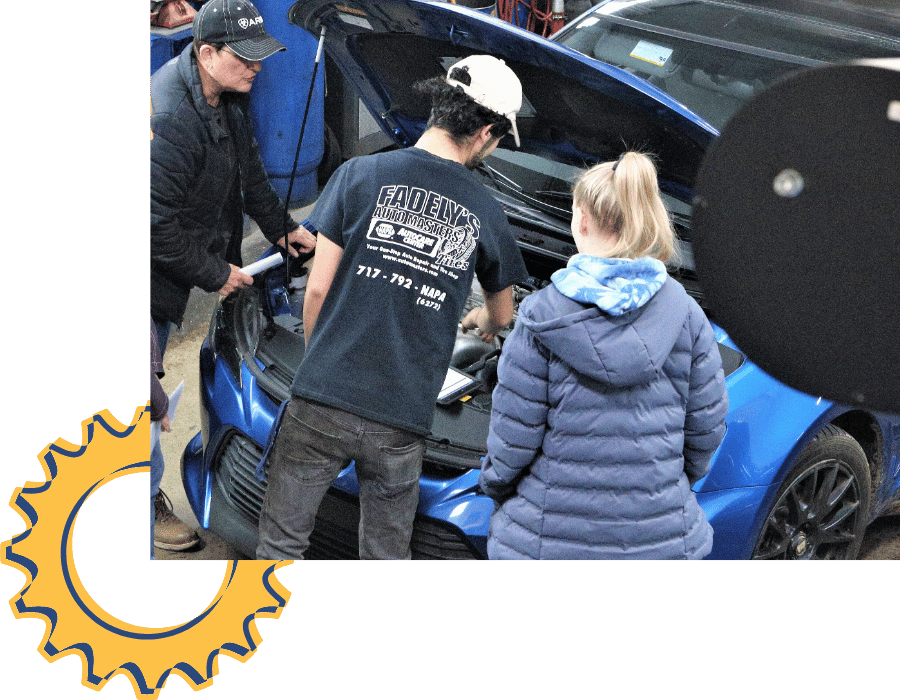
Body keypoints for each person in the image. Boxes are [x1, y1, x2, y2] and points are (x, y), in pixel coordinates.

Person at [256, 55, 529, 560]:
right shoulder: (486, 211)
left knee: (281, 542)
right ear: (486, 132)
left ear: (438, 105)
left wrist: (323, 367)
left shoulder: (360, 174)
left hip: (322, 398)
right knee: (384, 558)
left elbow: (316, 291)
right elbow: (505, 316)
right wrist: (479, 321)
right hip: (401, 420)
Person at [479, 152, 729, 560]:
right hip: (661, 540)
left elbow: (513, 440)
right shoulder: (686, 313)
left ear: (580, 219)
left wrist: (496, 485)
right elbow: (707, 428)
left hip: (548, 541)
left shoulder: (541, 315)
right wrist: (660, 483)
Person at [150, 0, 316, 547]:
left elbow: (249, 170)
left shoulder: (225, 95)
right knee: (140, 401)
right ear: (206, 53)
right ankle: (145, 503)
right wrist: (214, 271)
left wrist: (280, 230)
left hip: (178, 260)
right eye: (245, 59)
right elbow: (148, 225)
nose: (257, 69)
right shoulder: (169, 116)